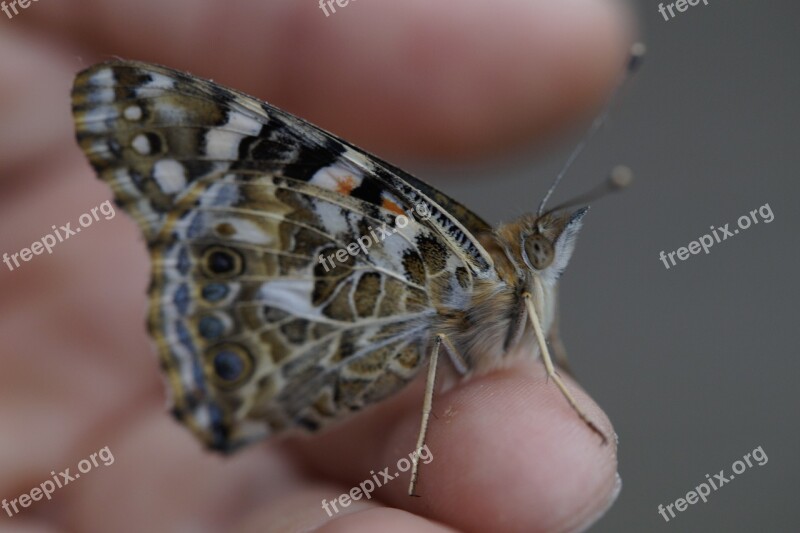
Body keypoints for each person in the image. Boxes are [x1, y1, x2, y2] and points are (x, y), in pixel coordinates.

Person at [0, 0, 633, 530]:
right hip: (274, 310)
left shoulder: (511, 288)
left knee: (527, 453)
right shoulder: (467, 266)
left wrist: (554, 364)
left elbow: (521, 318)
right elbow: (458, 332)